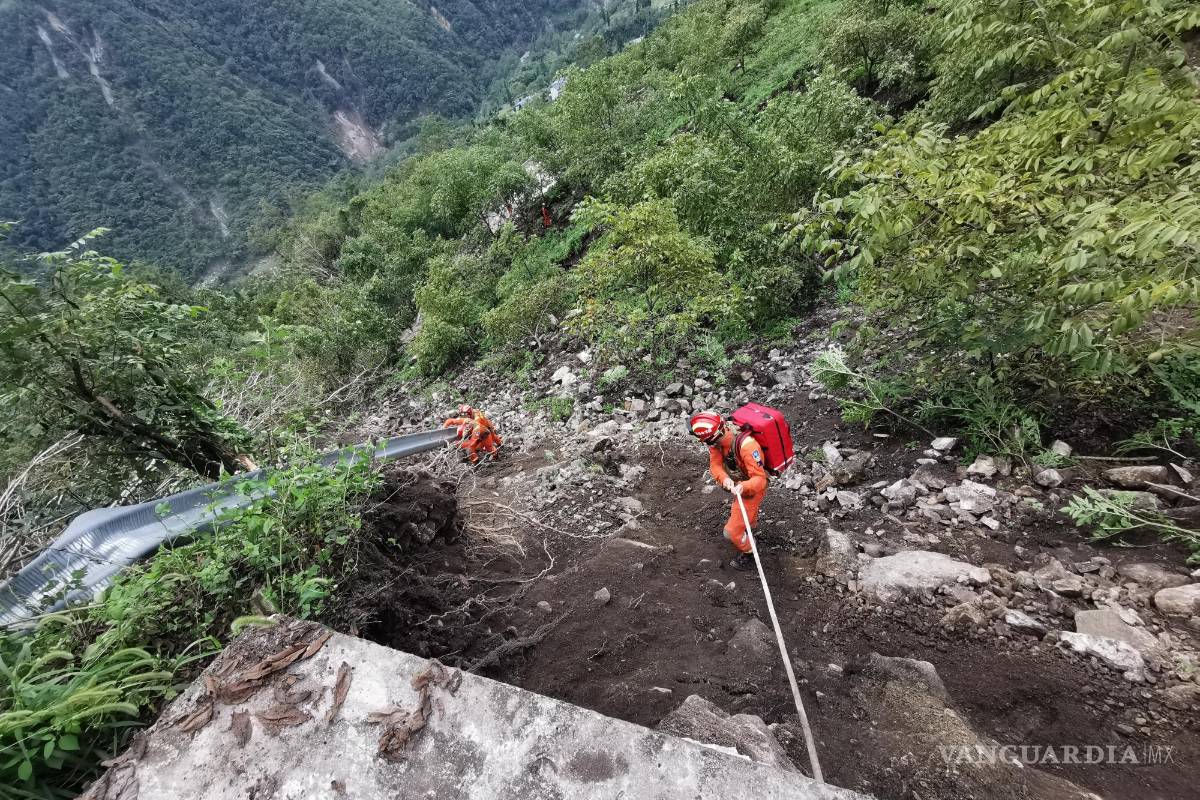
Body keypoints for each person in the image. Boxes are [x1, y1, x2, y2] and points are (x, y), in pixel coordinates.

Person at [689, 411, 768, 571]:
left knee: (731, 532)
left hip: (751, 489)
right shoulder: (716, 442)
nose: (708, 445)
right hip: (741, 484)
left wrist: (743, 486)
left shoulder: (748, 446)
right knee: (745, 520)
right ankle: (749, 526)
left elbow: (760, 480)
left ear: (715, 435)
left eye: (707, 442)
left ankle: (750, 552)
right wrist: (724, 478)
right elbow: (715, 465)